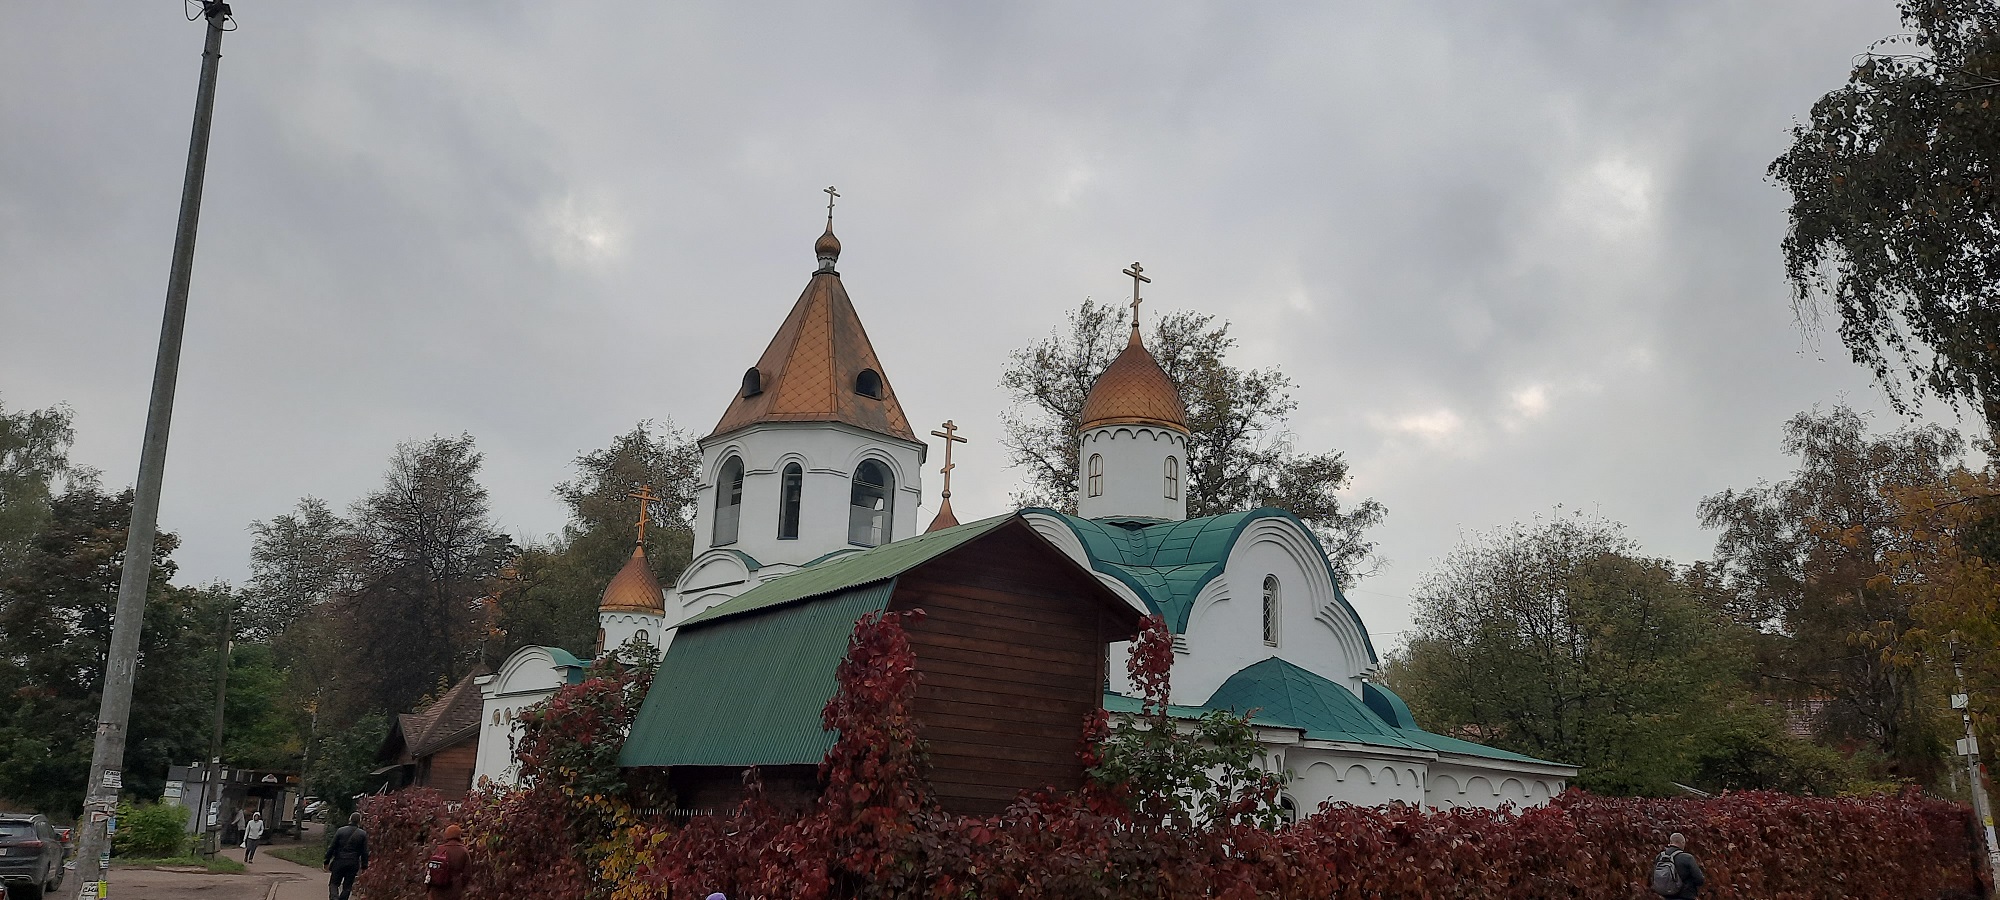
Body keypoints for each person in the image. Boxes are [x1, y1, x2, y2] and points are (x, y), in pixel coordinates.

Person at [324, 812, 369, 900]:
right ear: (360, 821)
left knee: (334, 883)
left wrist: (326, 861)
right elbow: (365, 852)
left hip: (339, 861)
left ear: (350, 819)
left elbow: (332, 847)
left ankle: (334, 898)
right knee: (347, 886)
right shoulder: (362, 834)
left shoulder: (340, 831)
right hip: (353, 862)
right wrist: (364, 866)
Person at [1650, 831, 1706, 899]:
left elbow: (1653, 876)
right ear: (1683, 843)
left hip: (1666, 896)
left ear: (1670, 842)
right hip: (1685, 896)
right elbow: (1699, 880)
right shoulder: (1687, 858)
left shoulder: (1660, 856)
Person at [424, 823, 470, 899]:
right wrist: (459, 885)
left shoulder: (440, 849)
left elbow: (430, 867)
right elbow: (467, 874)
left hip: (437, 888)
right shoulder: (464, 851)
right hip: (454, 889)